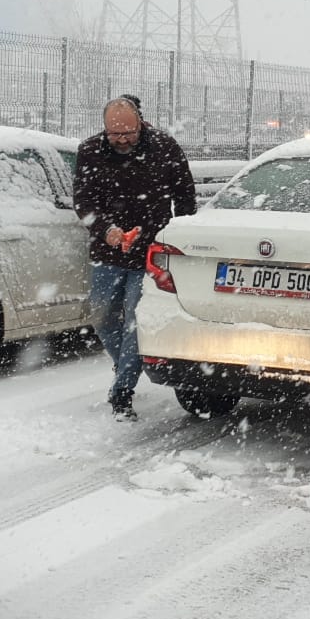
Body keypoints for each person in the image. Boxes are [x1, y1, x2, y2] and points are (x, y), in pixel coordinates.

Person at [73, 96, 196, 420]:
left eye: (129, 132)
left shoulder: (164, 147)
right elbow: (83, 202)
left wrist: (178, 235)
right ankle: (127, 362)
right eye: (115, 134)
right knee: (101, 319)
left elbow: (184, 194)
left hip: (150, 252)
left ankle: (122, 393)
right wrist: (107, 230)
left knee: (135, 325)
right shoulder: (89, 151)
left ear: (140, 123)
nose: (123, 140)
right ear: (105, 130)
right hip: (107, 251)